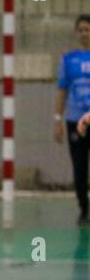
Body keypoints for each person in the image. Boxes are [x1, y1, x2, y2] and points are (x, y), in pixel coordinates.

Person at [55, 14, 90, 225]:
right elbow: (62, 91)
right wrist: (57, 119)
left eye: (87, 29)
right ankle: (84, 208)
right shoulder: (68, 60)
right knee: (79, 167)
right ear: (76, 33)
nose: (84, 33)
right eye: (81, 30)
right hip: (75, 121)